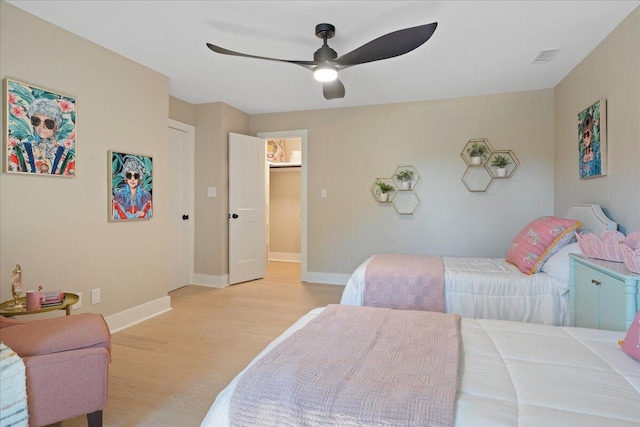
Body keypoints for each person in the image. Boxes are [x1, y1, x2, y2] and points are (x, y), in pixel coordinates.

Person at [8, 98, 75, 175]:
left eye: (48, 123)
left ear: (57, 126)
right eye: (36, 121)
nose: (41, 126)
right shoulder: (19, 150)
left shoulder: (66, 155)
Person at [579, 112, 600, 178]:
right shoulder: (581, 155)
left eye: (587, 135)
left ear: (591, 135)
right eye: (584, 136)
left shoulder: (596, 149)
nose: (585, 139)